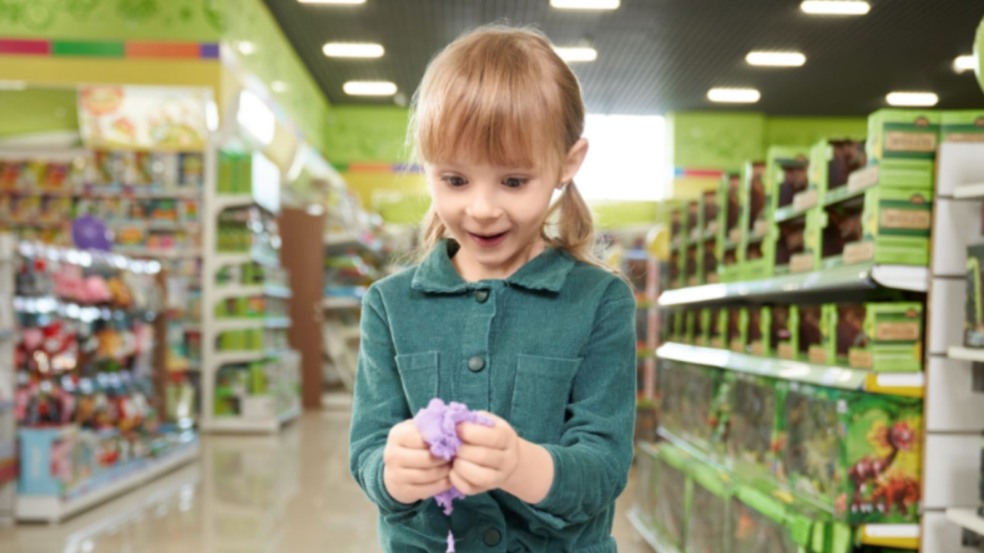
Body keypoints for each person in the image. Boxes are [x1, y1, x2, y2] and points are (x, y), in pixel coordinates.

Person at [349, 24, 637, 552]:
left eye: (513, 181)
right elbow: (368, 448)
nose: (481, 209)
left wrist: (523, 465)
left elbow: (605, 463)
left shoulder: (600, 301)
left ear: (566, 164)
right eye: (455, 180)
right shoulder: (390, 305)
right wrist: (392, 472)